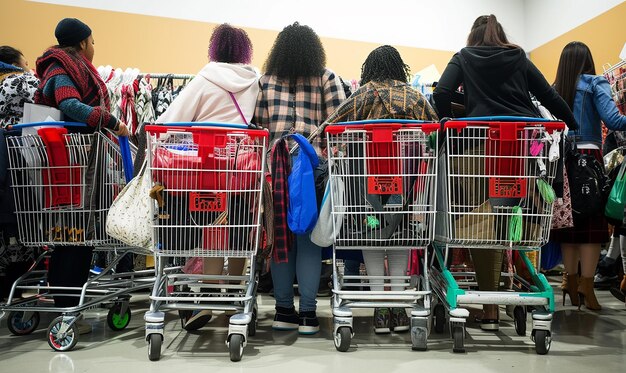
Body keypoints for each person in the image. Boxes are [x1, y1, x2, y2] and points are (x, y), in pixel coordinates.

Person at [433, 14, 577, 331]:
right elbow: (549, 96)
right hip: (520, 150)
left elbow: (441, 93)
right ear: (500, 34)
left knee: (478, 220)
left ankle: (489, 308)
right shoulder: (517, 56)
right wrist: (572, 124)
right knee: (506, 221)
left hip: (479, 147)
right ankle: (496, 301)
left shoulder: (464, 56)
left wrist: (448, 124)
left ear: (474, 36)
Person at [324, 45, 438, 333]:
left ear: (369, 69)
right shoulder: (414, 97)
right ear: (400, 68)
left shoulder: (362, 95)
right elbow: (437, 131)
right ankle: (400, 306)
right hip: (406, 182)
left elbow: (328, 128)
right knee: (401, 233)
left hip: (366, 184)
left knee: (370, 232)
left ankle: (379, 308)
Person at [155, 23, 259, 330]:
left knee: (214, 228)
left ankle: (212, 294)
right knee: (241, 228)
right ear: (245, 50)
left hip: (207, 170)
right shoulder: (254, 80)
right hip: (242, 168)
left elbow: (170, 121)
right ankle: (237, 298)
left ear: (215, 47)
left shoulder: (205, 78)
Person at [34, 18, 129, 334]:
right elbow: (68, 103)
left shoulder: (66, 65)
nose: (94, 46)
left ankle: (66, 302)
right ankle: (67, 309)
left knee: (75, 235)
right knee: (76, 235)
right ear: (82, 42)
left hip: (77, 160)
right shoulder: (60, 67)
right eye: (92, 40)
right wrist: (111, 121)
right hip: (69, 162)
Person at [254, 22, 346, 335]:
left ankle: (283, 310)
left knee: (281, 238)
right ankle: (307, 314)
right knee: (308, 239)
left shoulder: (265, 81)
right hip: (313, 168)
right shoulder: (327, 78)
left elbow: (257, 131)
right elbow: (339, 131)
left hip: (275, 168)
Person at [552, 41, 626, 310]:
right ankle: (586, 287)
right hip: (588, 161)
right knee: (592, 230)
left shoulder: (554, 88)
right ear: (588, 60)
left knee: (569, 226)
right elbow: (614, 120)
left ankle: (569, 283)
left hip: (561, 161)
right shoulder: (595, 82)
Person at [0, 46, 39, 128]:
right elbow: (46, 97)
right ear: (15, 65)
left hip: (5, 132)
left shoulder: (2, 83)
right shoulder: (22, 80)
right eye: (26, 64)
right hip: (22, 133)